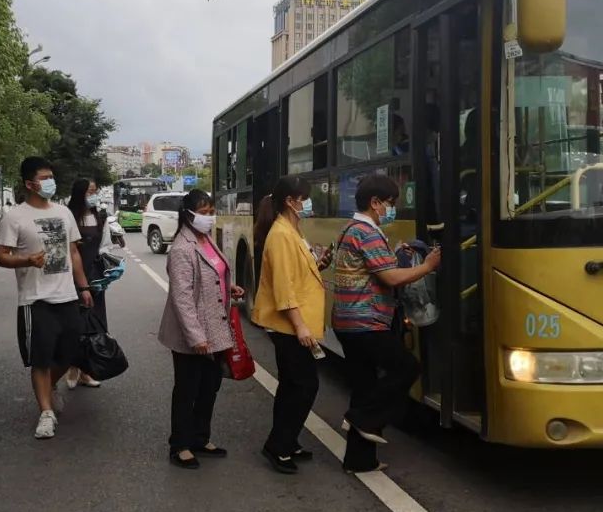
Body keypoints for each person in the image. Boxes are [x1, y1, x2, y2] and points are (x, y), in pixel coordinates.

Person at [332, 175, 441, 473]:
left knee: (364, 386)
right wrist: (427, 266)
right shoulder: (367, 232)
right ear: (375, 202)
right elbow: (391, 278)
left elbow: (376, 268)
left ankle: (359, 460)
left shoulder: (350, 229)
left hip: (346, 321)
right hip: (366, 322)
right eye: (390, 204)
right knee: (406, 368)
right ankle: (360, 418)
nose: (391, 210)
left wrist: (395, 255)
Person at [0, 156, 94, 440]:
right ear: (30, 184)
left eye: (51, 176)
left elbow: (73, 252)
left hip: (67, 296)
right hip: (35, 299)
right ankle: (46, 413)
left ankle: (48, 387)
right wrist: (26, 260)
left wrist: (84, 287)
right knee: (40, 359)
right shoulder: (15, 216)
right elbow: (0, 257)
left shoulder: (64, 213)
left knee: (70, 353)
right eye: (44, 178)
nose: (50, 182)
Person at [157, 190, 245, 469]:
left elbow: (213, 274)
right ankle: (180, 445)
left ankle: (199, 437)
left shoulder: (206, 239)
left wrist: (229, 287)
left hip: (215, 328)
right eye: (204, 212)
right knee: (187, 389)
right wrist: (196, 337)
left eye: (211, 212)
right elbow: (182, 298)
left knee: (209, 386)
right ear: (188, 214)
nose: (209, 217)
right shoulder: (182, 248)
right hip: (192, 334)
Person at [251, 176, 332, 474]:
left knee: (292, 385)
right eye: (304, 198)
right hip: (289, 326)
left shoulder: (292, 230)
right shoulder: (281, 235)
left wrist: (319, 264)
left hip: (295, 323)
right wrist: (301, 327)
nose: (308, 203)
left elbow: (297, 274)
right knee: (304, 386)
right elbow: (284, 288)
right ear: (290, 201)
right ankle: (278, 446)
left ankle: (288, 441)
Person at [63, 178, 115, 390]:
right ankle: (71, 366)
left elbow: (105, 246)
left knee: (94, 323)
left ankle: (86, 370)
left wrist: (109, 268)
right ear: (79, 194)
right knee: (74, 324)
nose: (94, 196)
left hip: (95, 277)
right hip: (71, 277)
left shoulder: (101, 217)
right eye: (89, 192)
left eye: (95, 191)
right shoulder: (68, 216)